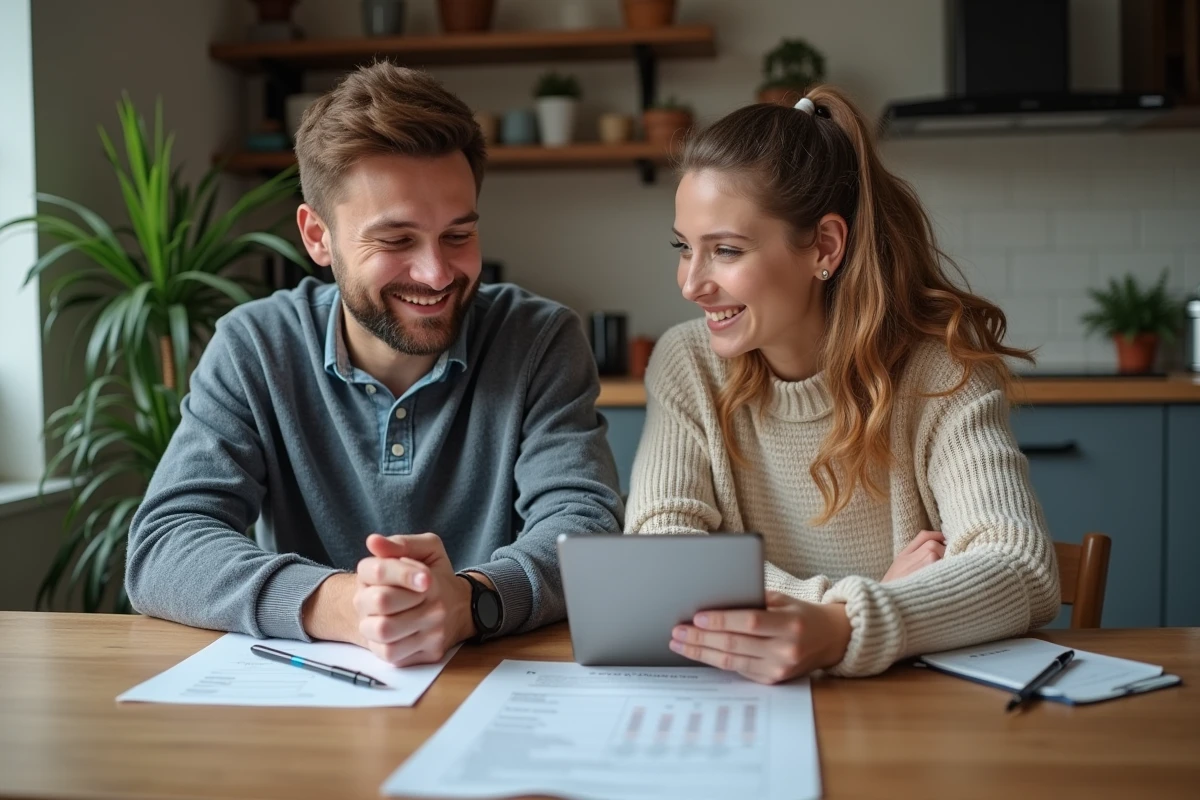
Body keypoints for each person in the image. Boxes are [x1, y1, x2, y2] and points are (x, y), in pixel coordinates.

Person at [126, 63, 624, 666]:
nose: (437, 274)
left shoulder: (539, 339)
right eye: (395, 241)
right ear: (317, 237)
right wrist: (344, 605)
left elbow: (584, 529)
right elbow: (165, 544)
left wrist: (470, 601)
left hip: (491, 687)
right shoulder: (255, 346)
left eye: (458, 235)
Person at [626, 89, 1060, 683]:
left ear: (824, 247)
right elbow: (658, 552)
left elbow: (1022, 568)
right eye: (684, 249)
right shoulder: (686, 363)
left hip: (918, 725)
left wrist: (839, 628)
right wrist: (857, 600)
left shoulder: (942, 371)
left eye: (725, 251)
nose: (691, 284)